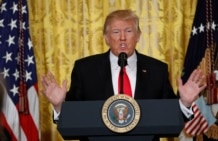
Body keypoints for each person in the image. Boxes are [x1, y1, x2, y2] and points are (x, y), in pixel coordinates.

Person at [41, 9, 207, 141]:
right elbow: (73, 118)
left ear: (138, 36)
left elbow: (170, 116)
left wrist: (184, 103)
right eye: (115, 32)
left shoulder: (157, 69)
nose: (122, 38)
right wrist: (59, 106)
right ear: (106, 38)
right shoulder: (85, 69)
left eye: (128, 31)